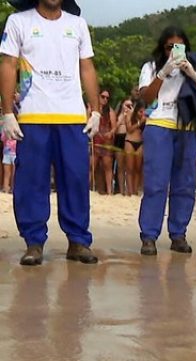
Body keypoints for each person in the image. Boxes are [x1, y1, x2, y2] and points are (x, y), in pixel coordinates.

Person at [0, 0, 102, 265]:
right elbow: (9, 64)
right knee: (31, 182)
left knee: (76, 180)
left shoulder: (77, 24)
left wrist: (97, 111)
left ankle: (78, 241)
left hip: (72, 117)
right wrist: (7, 111)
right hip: (33, 116)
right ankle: (34, 242)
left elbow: (87, 67)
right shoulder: (18, 21)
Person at [137, 26, 196, 255]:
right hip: (159, 125)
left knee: (184, 184)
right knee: (156, 184)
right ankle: (149, 236)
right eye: (169, 46)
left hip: (187, 127)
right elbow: (146, 96)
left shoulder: (195, 67)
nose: (173, 51)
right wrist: (163, 73)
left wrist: (193, 74)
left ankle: (178, 233)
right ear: (162, 48)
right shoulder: (151, 67)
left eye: (178, 46)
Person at [93, 89, 116, 194]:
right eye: (103, 96)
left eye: (107, 98)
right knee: (91, 165)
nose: (105, 99)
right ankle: (89, 188)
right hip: (95, 139)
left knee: (108, 166)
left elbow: (114, 127)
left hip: (106, 140)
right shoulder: (93, 108)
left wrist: (111, 133)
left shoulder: (110, 111)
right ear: (98, 96)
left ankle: (109, 191)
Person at [123, 101, 145, 197]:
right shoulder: (129, 115)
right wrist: (140, 122)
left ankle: (135, 190)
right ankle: (130, 191)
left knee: (138, 168)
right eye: (140, 112)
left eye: (143, 112)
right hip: (130, 142)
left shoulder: (146, 118)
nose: (142, 114)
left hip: (140, 143)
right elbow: (129, 129)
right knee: (129, 168)